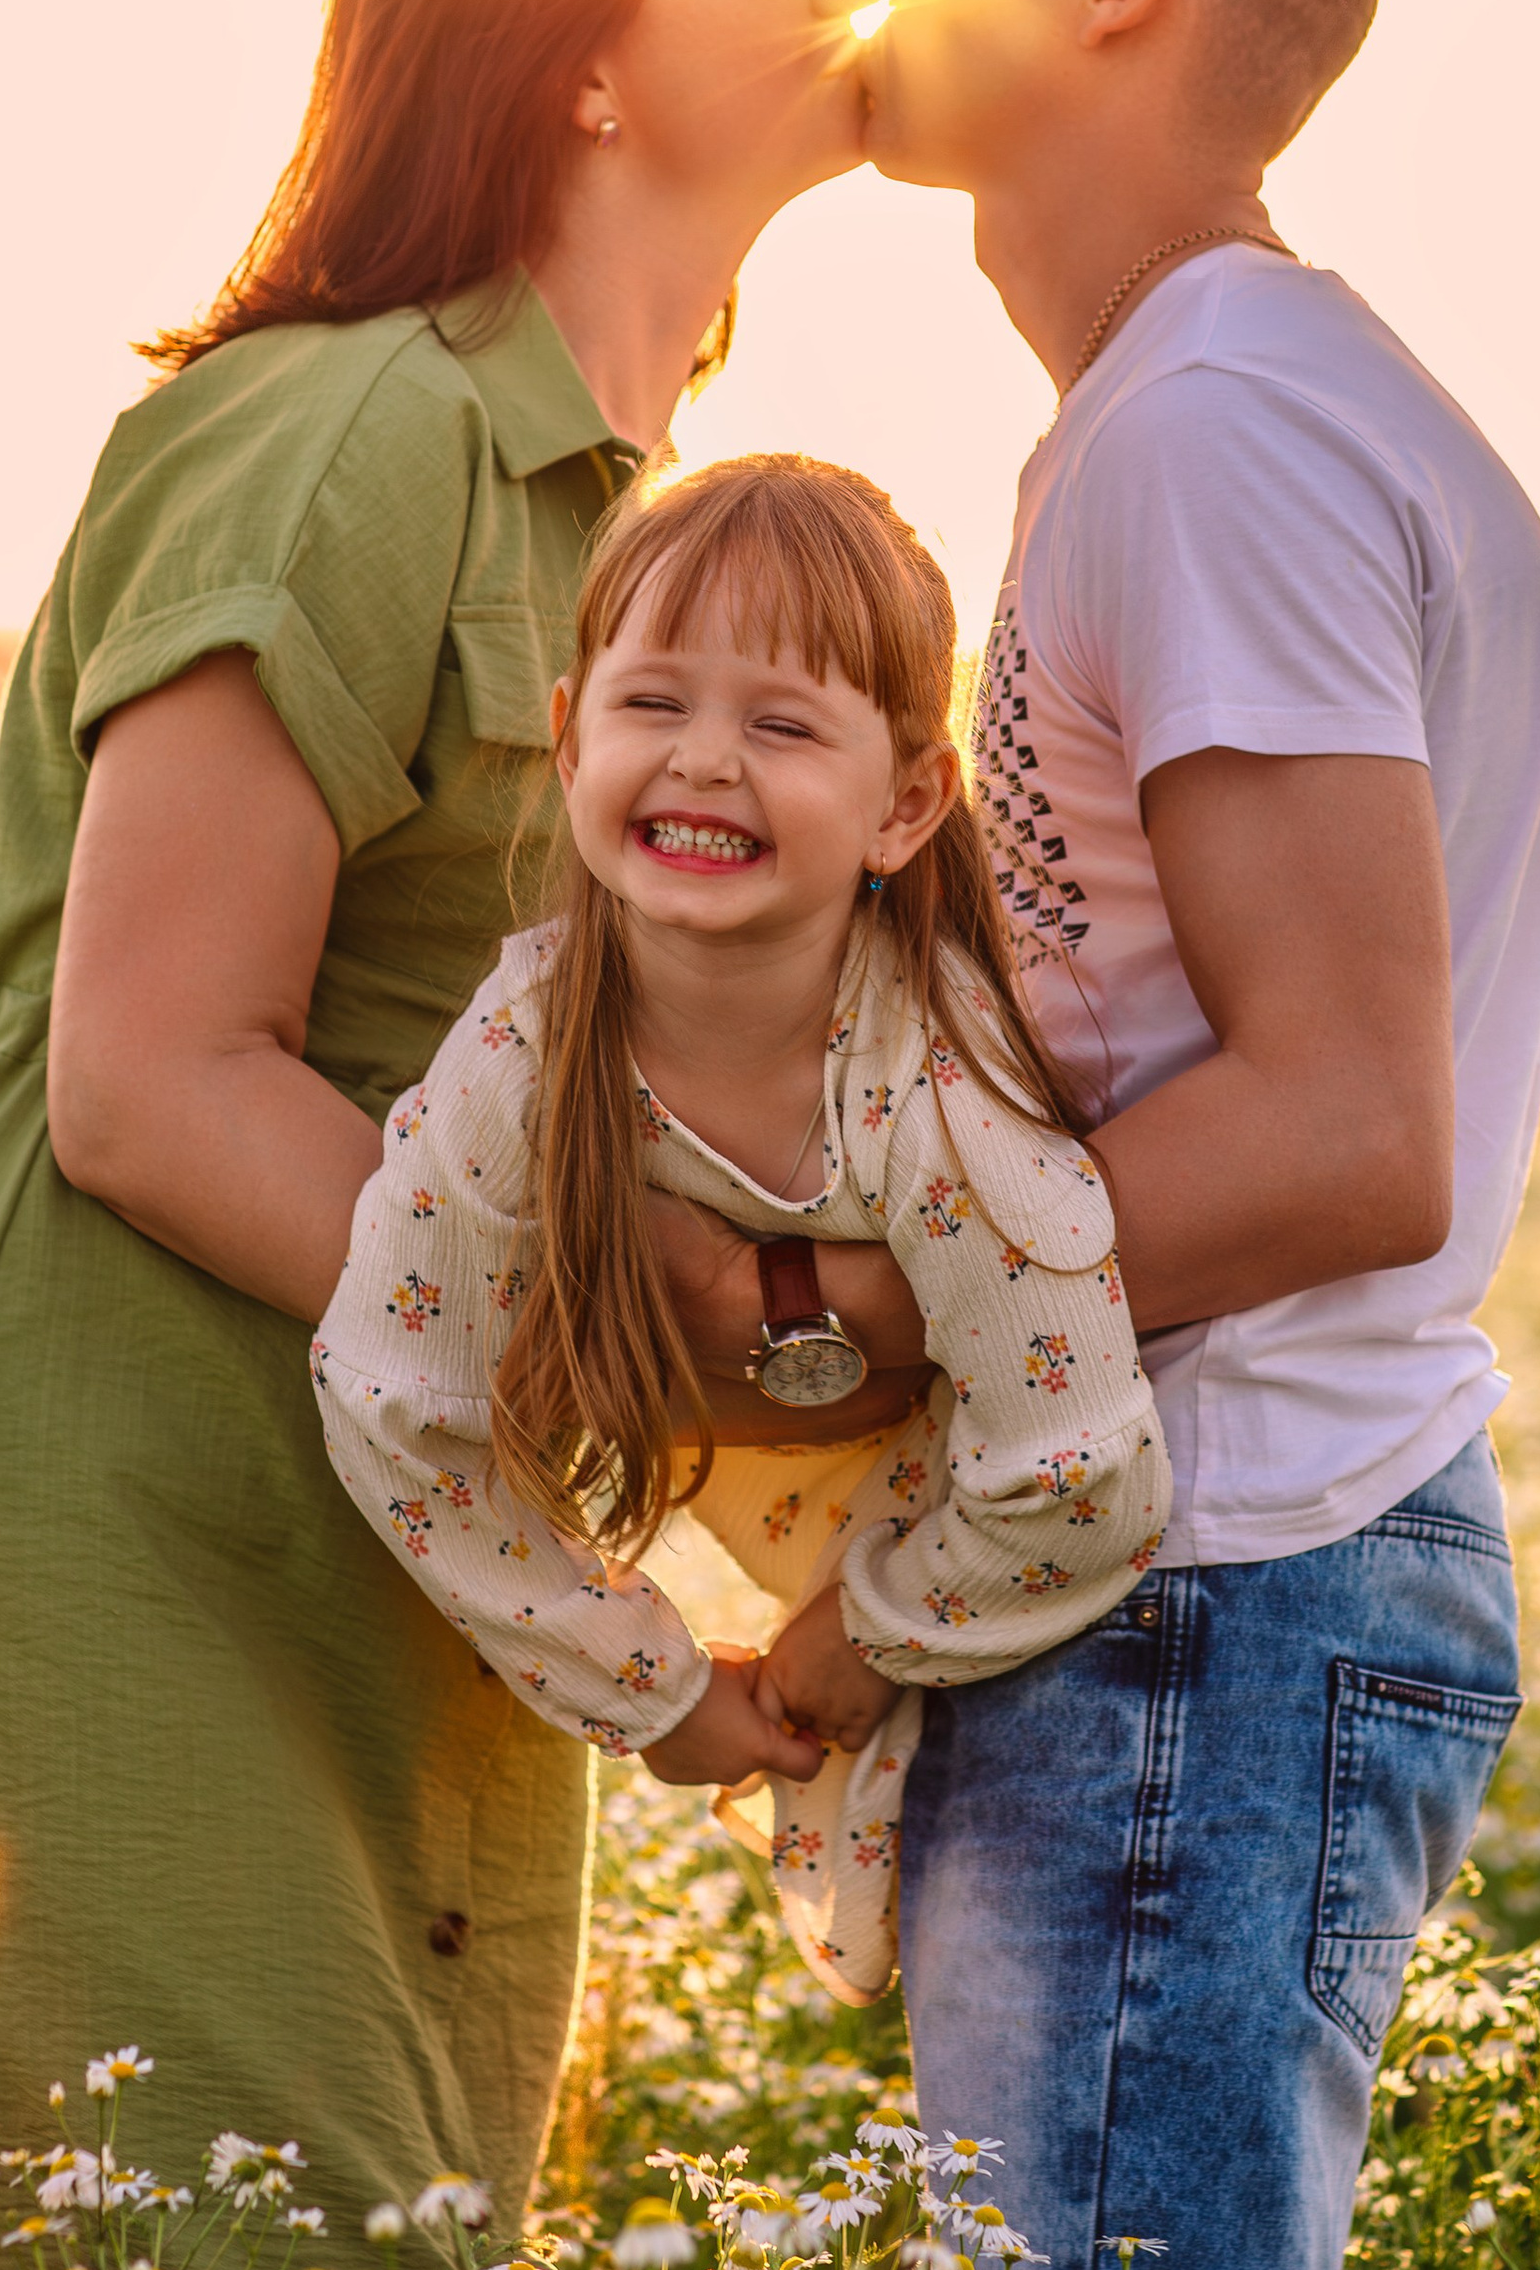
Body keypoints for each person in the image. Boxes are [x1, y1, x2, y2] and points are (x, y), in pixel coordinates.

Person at [0, 0, 880, 2270]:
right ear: (577, 50)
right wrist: (654, 1351)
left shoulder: (641, 527)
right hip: (117, 1517)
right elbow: (153, 1081)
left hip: (404, 1550)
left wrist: (710, 1555)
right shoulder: (346, 425)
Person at [699, 0, 1540, 2270]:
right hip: (1194, 1582)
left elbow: (1338, 1131)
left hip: (1216, 1605)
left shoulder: (1215, 428)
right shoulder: (1195, 415)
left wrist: (844, 1302)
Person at [311, 454, 1169, 2008]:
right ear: (566, 740)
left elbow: (1080, 1470)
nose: (705, 762)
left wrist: (867, 1630)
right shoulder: (521, 1055)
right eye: (654, 706)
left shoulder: (944, 1092)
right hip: (732, 1513)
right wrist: (645, 1683)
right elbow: (394, 1398)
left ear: (906, 802)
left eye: (781, 725)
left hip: (981, 1557)